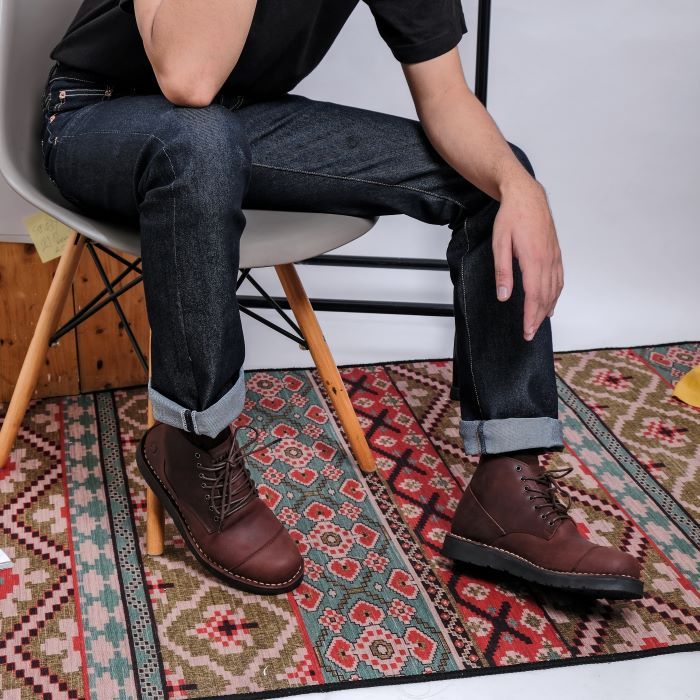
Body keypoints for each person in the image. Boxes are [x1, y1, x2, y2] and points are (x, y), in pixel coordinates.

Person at [40, 0, 643, 599]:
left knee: (496, 180)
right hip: (101, 116)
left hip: (239, 119)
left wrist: (519, 186)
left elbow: (445, 95)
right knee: (199, 140)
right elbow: (189, 78)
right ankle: (195, 441)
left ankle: (507, 480)